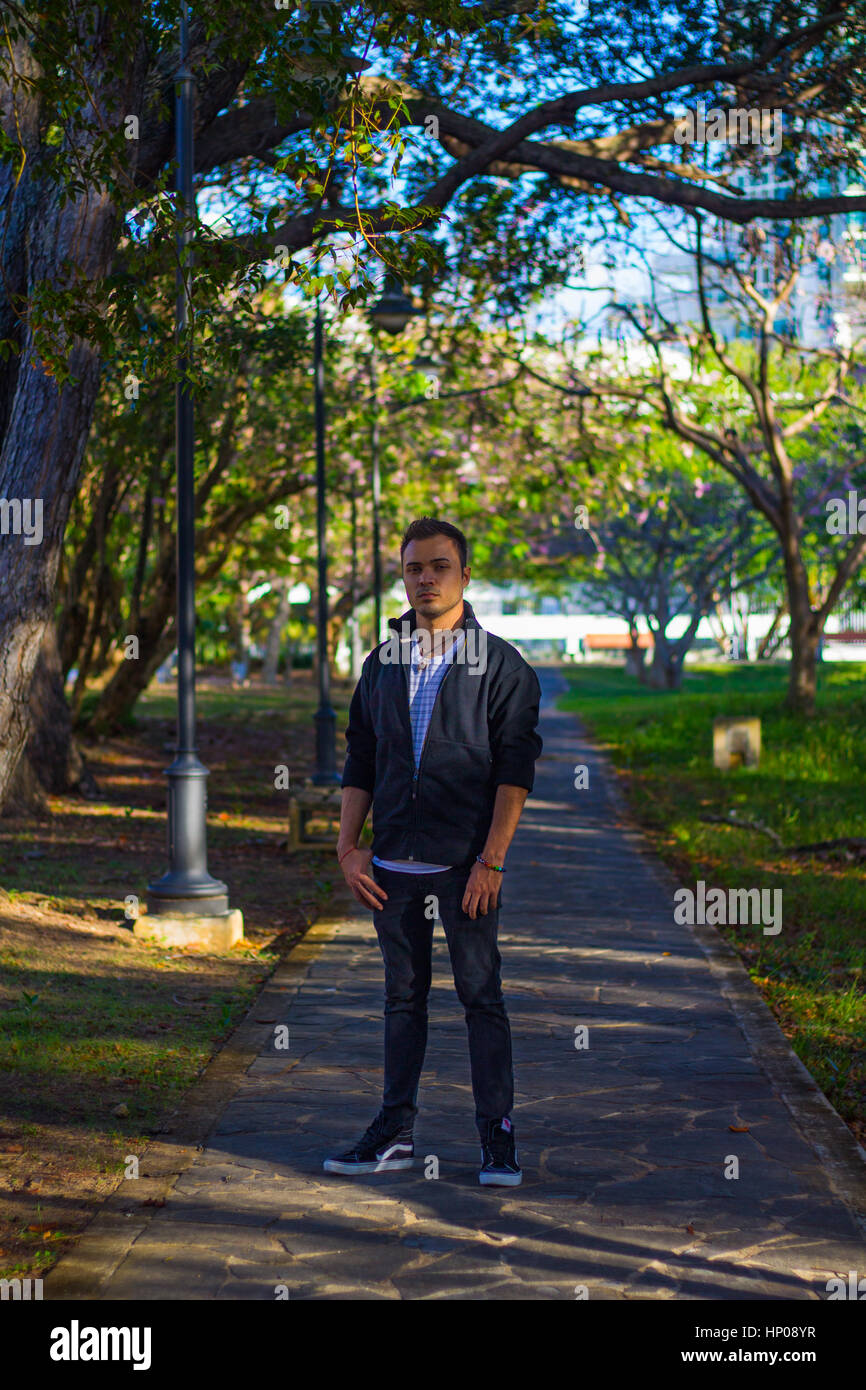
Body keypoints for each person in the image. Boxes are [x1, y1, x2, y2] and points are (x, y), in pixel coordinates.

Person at [326, 516, 542, 1186]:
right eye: (415, 567)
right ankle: (394, 1131)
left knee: (481, 997)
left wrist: (493, 860)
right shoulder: (382, 661)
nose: (425, 578)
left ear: (465, 574)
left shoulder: (501, 665)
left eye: (439, 566)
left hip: (464, 866)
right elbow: (362, 755)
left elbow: (514, 770)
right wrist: (347, 847)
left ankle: (496, 1138)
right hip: (392, 864)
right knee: (402, 998)